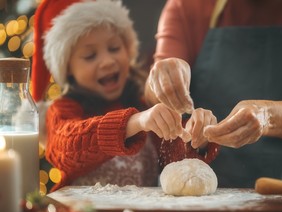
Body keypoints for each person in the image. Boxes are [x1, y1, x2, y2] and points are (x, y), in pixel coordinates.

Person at [145, 0, 282, 188]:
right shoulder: (186, 7)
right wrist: (164, 77)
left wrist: (266, 115)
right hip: (210, 195)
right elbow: (151, 93)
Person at [31, 0, 218, 192]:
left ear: (128, 51)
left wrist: (196, 139)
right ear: (68, 69)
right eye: (89, 56)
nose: (107, 62)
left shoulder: (144, 105)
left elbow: (173, 160)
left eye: (114, 48)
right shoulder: (63, 110)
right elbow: (67, 147)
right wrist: (134, 122)